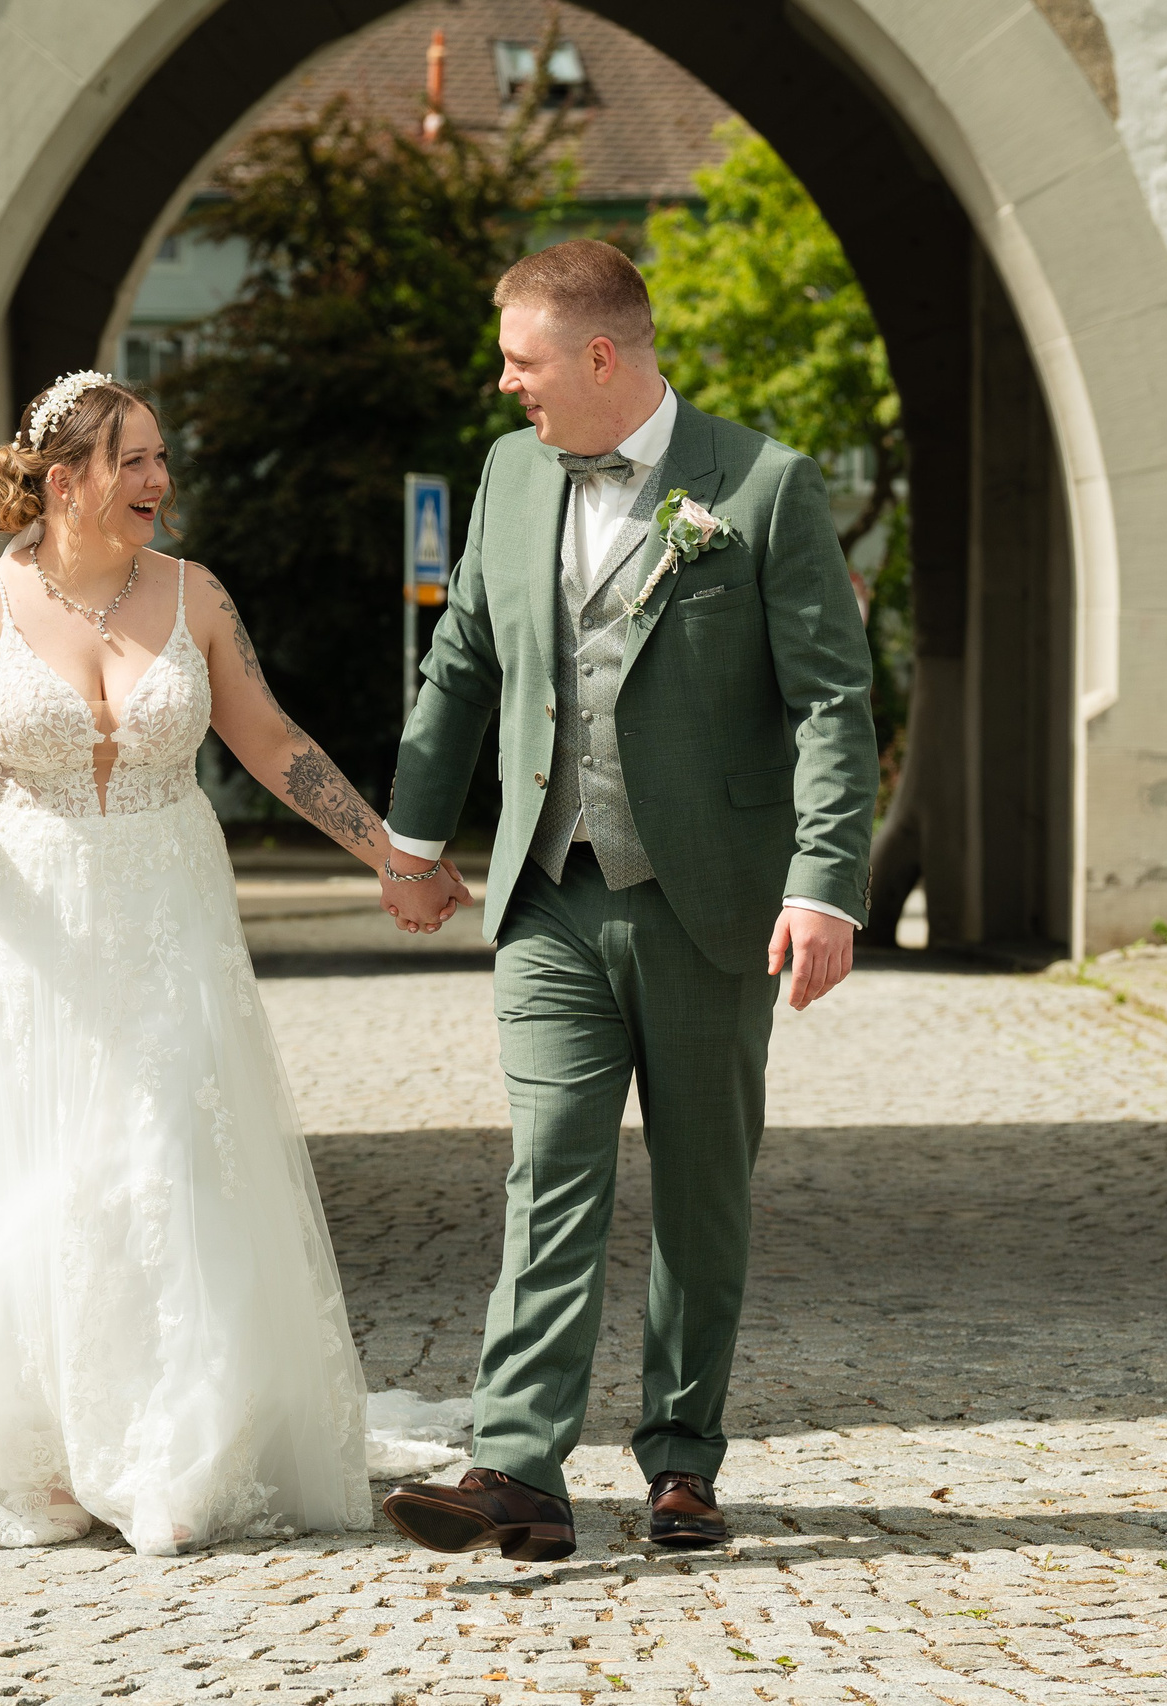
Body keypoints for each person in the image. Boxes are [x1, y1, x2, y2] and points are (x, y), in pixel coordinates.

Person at [0, 372, 475, 1555]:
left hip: (165, 912)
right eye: (134, 460)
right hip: (16, 921)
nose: (159, 482)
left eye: (162, 458)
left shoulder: (193, 595)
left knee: (164, 1163)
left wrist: (390, 855)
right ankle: (28, 1446)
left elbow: (272, 739)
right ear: (66, 478)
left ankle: (170, 1444)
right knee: (19, 1171)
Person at [375, 240, 878, 1559]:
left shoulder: (761, 489)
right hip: (548, 892)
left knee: (704, 1191)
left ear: (603, 356)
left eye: (523, 359)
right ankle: (523, 1466)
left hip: (709, 900)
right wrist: (411, 838)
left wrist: (823, 887)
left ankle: (681, 1461)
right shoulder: (507, 473)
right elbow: (464, 657)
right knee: (550, 1170)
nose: (506, 383)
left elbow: (833, 698)